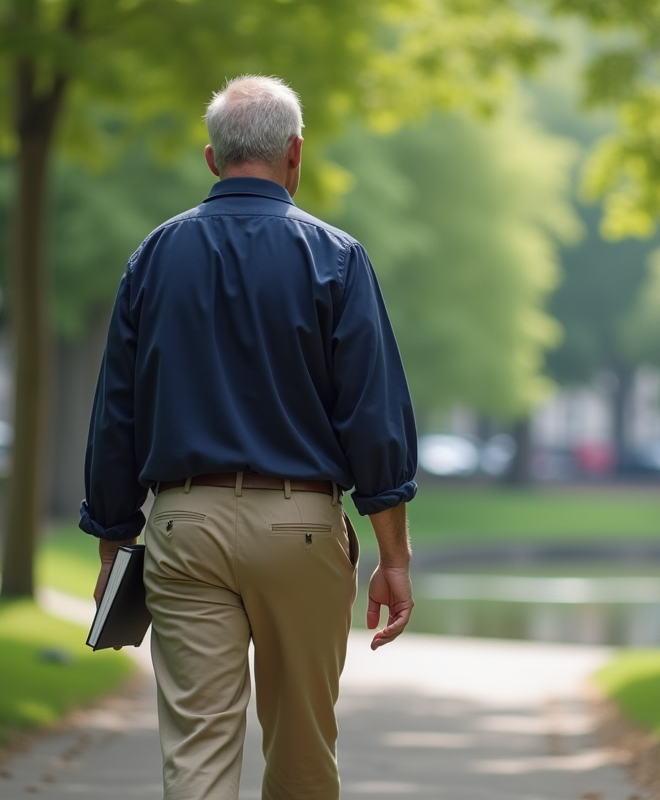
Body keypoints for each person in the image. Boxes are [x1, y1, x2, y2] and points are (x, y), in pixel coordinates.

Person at [79, 74, 418, 800]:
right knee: (301, 752)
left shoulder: (152, 258)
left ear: (212, 159)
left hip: (184, 523)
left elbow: (117, 413)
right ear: (296, 155)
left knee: (197, 753)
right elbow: (373, 416)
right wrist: (394, 556)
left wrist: (113, 540)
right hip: (299, 525)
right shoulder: (337, 259)